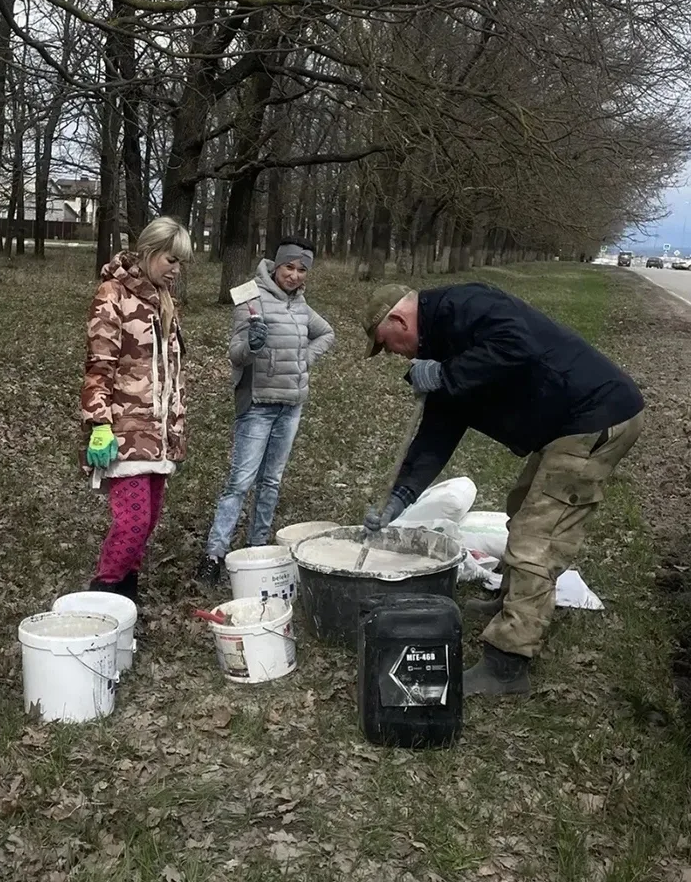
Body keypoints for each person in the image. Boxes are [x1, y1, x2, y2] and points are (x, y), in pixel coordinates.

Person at [360, 282, 644, 696]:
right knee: (522, 504)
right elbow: (436, 433)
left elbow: (518, 346)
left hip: (596, 415)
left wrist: (445, 374)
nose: (396, 355)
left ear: (400, 320)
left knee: (538, 537)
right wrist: (399, 499)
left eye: (389, 345)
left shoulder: (467, 305)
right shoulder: (439, 343)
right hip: (565, 423)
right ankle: (512, 599)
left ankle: (507, 663)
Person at [195, 239, 335, 584]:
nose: (294, 275)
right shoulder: (250, 297)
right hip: (257, 405)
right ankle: (215, 554)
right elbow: (236, 354)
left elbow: (327, 334)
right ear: (275, 266)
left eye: (302, 270)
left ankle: (257, 547)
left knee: (271, 481)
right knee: (240, 482)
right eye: (289, 267)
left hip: (291, 405)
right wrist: (254, 345)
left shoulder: (301, 305)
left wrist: (306, 358)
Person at [81, 217, 193, 603]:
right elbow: (99, 364)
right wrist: (99, 423)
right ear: (148, 253)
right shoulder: (112, 294)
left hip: (160, 433)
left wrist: (175, 425)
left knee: (148, 523)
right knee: (132, 523)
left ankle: (126, 594)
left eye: (181, 263)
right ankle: (104, 591)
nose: (177, 270)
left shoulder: (164, 301)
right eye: (171, 260)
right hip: (125, 430)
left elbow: (170, 372)